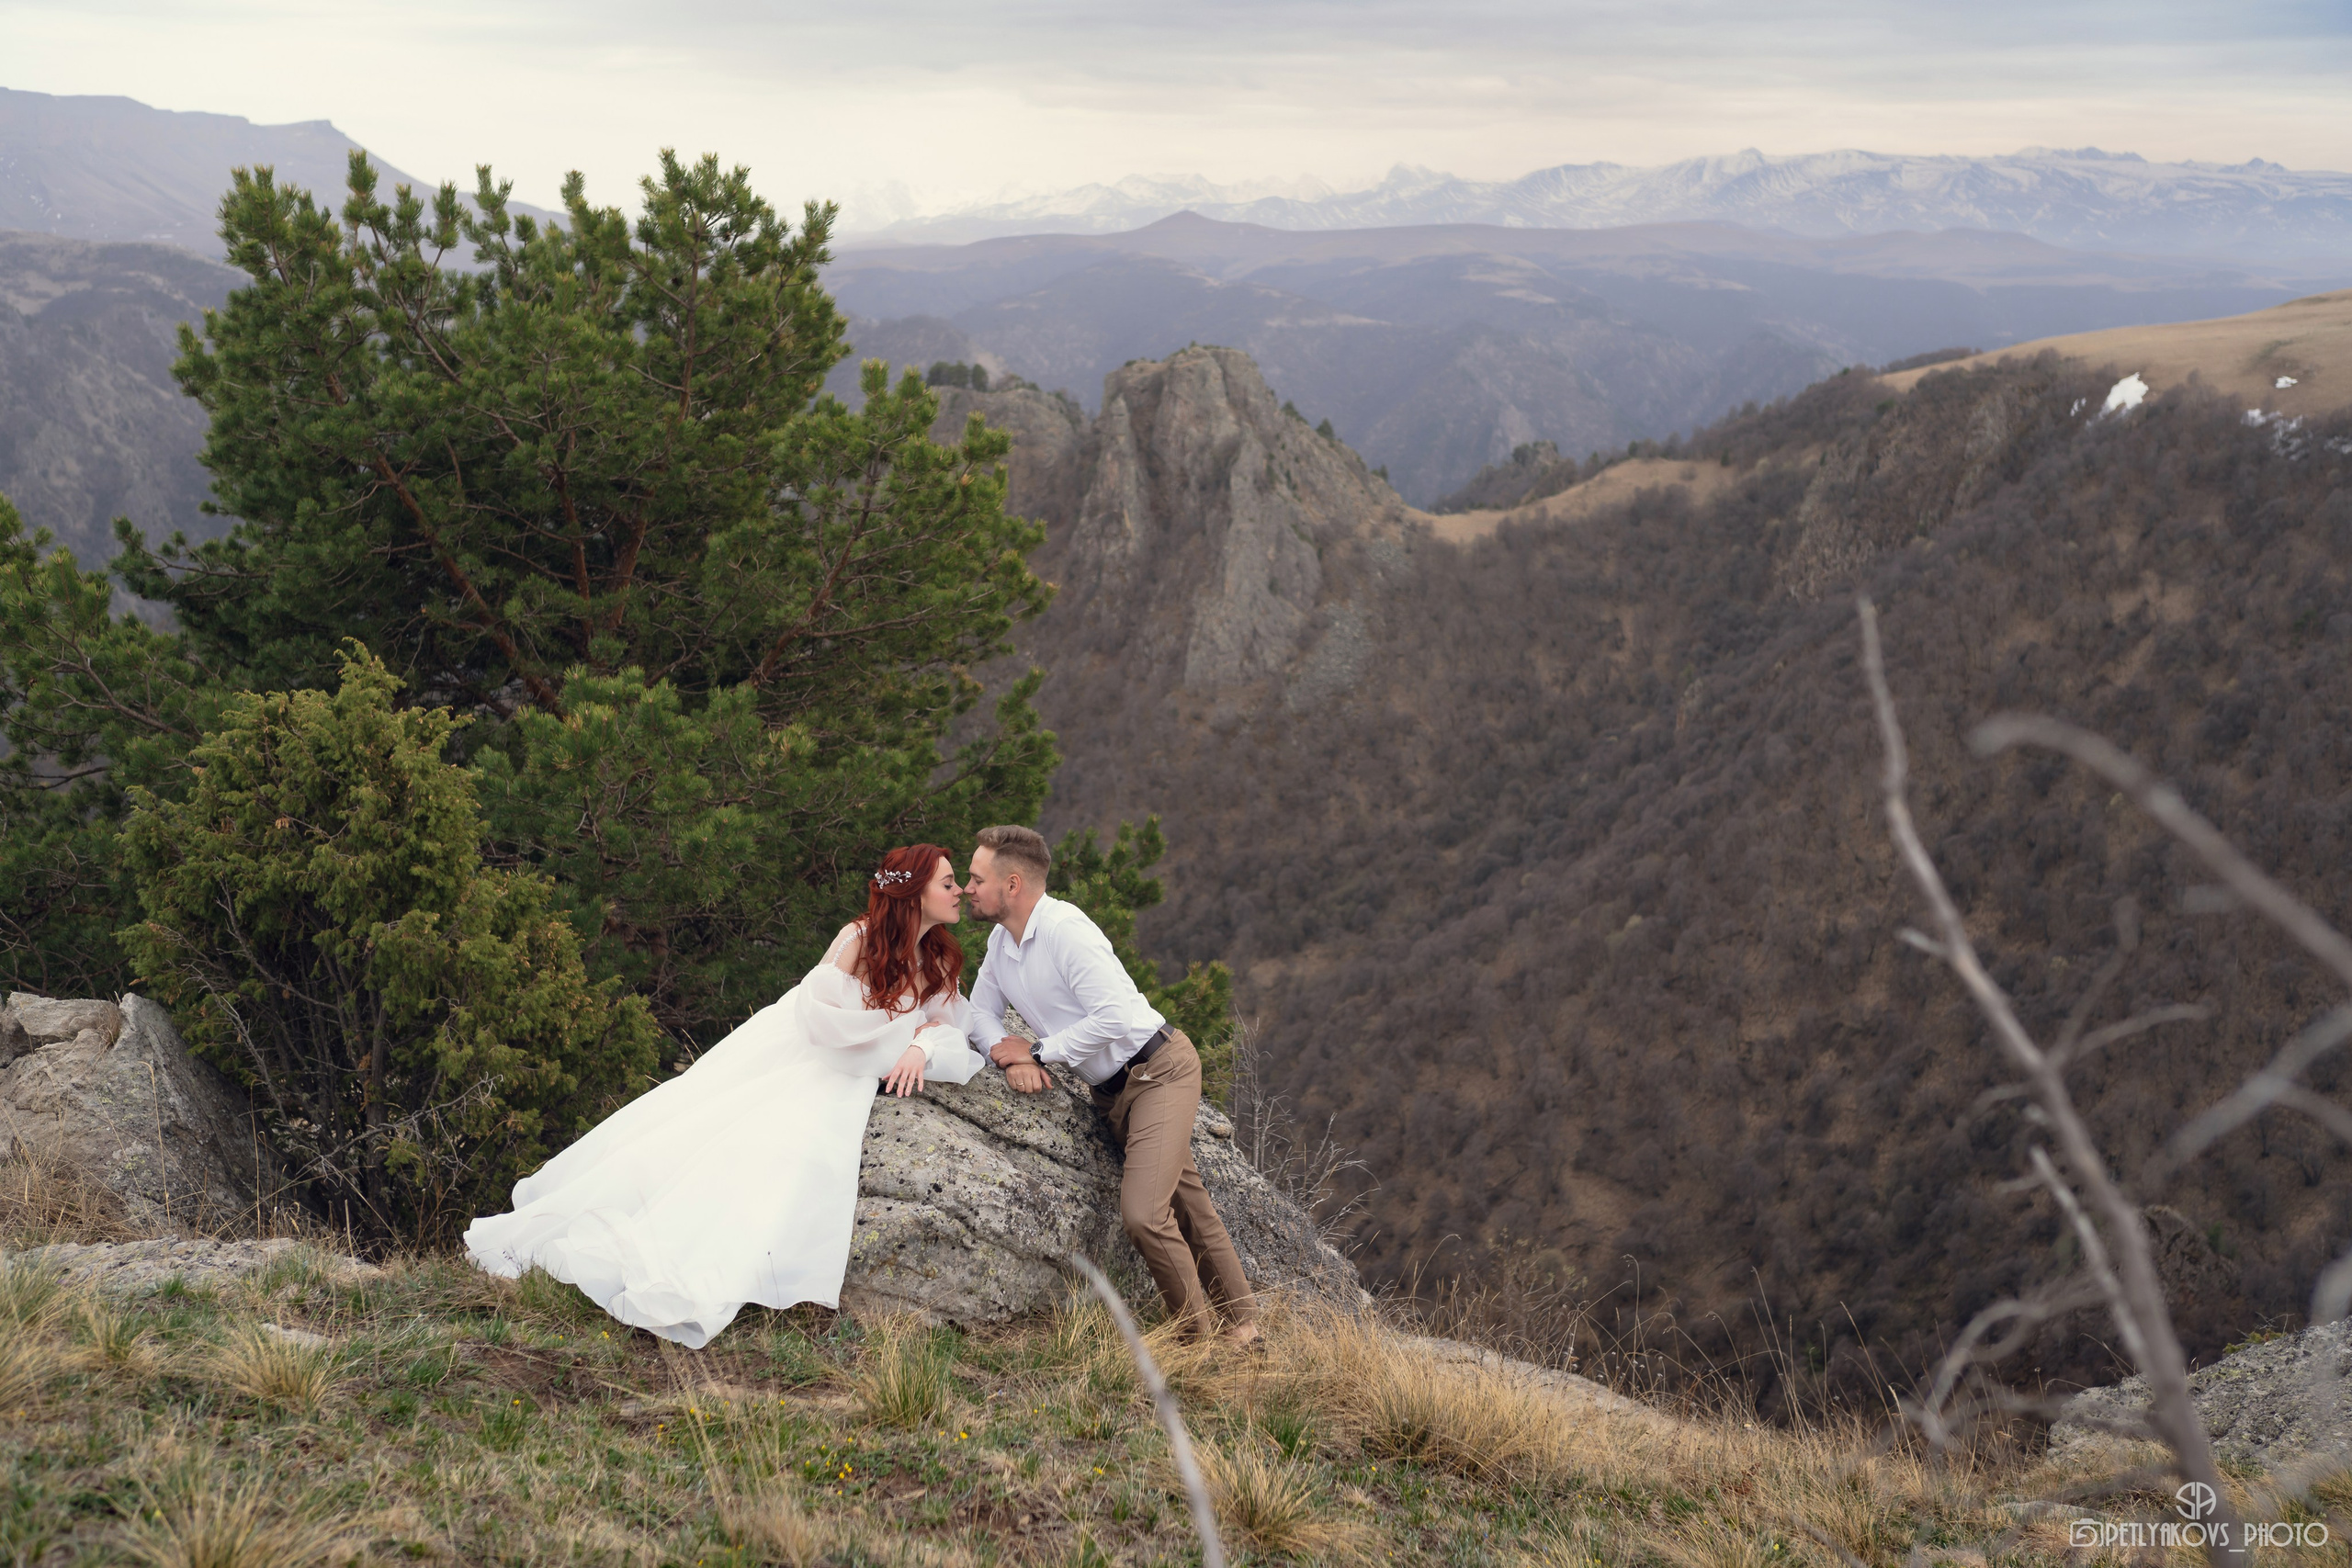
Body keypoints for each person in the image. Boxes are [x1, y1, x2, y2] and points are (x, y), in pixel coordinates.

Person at [461, 846, 986, 1348]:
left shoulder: (937, 959)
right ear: (915, 893)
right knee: (720, 1134)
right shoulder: (859, 938)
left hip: (850, 1068)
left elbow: (947, 1026)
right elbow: (821, 1017)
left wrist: (919, 1046)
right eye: (948, 882)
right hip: (805, 1054)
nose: (960, 889)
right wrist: (900, 1037)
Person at [962, 824, 1260, 1345]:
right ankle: (1243, 1327)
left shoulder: (1065, 930)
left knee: (1144, 1215)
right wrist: (1006, 1056)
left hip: (1158, 1069)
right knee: (1187, 1202)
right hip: (1111, 1092)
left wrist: (1038, 1051)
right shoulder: (1001, 941)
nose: (967, 888)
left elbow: (1117, 1017)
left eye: (975, 878)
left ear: (1012, 885)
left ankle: (1196, 1344)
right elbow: (980, 1013)